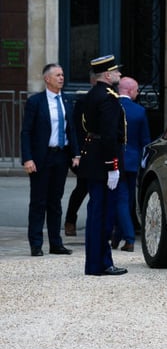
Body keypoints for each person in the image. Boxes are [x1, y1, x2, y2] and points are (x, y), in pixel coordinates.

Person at [20, 63, 79, 256]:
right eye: (58, 75)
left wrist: (75, 154)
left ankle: (56, 243)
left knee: (55, 202)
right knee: (38, 201)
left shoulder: (67, 101)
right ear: (47, 79)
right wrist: (27, 158)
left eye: (62, 74)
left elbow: (71, 130)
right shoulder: (36, 102)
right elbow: (26, 132)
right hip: (40, 158)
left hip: (60, 157)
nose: (62, 78)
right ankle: (36, 244)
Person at [78, 55, 128, 276]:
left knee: (96, 213)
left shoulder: (92, 95)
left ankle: (94, 263)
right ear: (107, 75)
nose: (119, 75)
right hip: (103, 163)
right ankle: (102, 263)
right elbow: (108, 135)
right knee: (104, 215)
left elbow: (86, 127)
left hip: (93, 159)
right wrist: (112, 166)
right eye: (116, 72)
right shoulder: (108, 98)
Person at [111, 76, 151, 252]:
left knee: (121, 200)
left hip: (115, 158)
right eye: (135, 90)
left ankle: (124, 237)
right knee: (127, 201)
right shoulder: (139, 111)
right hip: (133, 161)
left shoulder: (111, 107)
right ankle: (124, 237)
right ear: (129, 90)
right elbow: (145, 141)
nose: (137, 93)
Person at [64, 72, 97, 237]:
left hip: (99, 154)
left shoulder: (111, 99)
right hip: (84, 153)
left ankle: (96, 222)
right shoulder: (84, 101)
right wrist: (77, 154)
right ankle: (70, 220)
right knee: (82, 187)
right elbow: (76, 130)